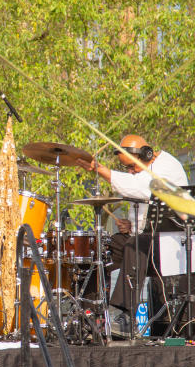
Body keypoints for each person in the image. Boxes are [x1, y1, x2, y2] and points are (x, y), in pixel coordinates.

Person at [76, 134, 188, 314]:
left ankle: (126, 313)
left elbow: (142, 188)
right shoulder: (145, 170)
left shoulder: (168, 166)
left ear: (145, 154)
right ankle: (90, 311)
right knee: (103, 247)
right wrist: (131, 226)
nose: (130, 171)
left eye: (131, 166)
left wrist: (101, 170)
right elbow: (144, 211)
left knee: (134, 245)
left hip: (169, 239)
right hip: (146, 237)